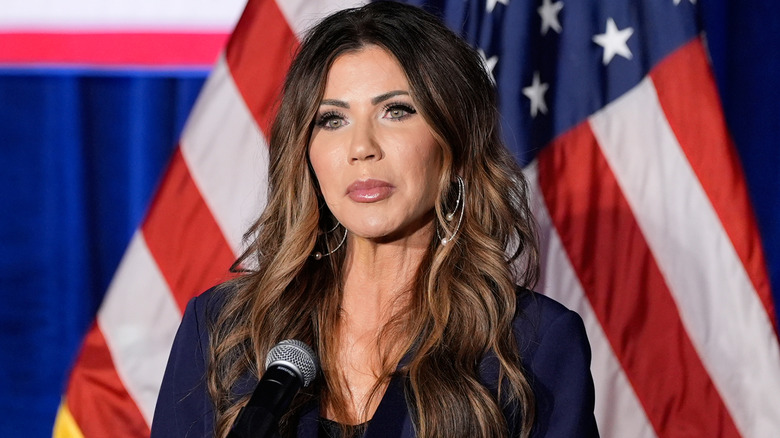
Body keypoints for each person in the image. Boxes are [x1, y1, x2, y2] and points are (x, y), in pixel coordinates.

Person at [151, 2, 599, 437]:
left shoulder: (534, 344)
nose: (361, 146)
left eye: (396, 111)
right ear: (307, 156)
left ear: (456, 145)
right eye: (332, 119)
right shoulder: (223, 330)